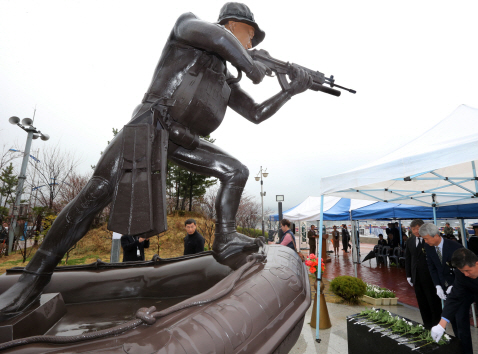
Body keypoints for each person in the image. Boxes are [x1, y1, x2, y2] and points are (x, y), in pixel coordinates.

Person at [0, 2, 314, 318]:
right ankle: (33, 277)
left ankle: (226, 239)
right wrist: (252, 66)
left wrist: (289, 91)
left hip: (182, 140)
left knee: (236, 171)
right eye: (250, 36)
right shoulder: (189, 27)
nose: (251, 45)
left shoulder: (225, 79)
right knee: (95, 193)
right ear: (235, 25)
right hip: (150, 126)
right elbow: (220, 40)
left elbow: (256, 114)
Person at [420, 223, 473, 354]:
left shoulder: (455, 247)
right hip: (446, 291)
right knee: (453, 322)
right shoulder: (429, 246)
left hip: (460, 291)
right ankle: (459, 349)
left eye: (426, 238)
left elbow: (464, 270)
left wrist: (454, 285)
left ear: (435, 235)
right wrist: (438, 285)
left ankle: (467, 351)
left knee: (462, 325)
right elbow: (432, 267)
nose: (425, 241)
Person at [405, 219, 442, 329]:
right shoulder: (410, 241)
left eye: (418, 228)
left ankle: (437, 326)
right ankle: (427, 325)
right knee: (422, 302)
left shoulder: (430, 240)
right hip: (416, 277)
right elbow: (408, 258)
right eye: (414, 229)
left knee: (433, 302)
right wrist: (408, 275)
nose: (416, 231)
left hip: (430, 277)